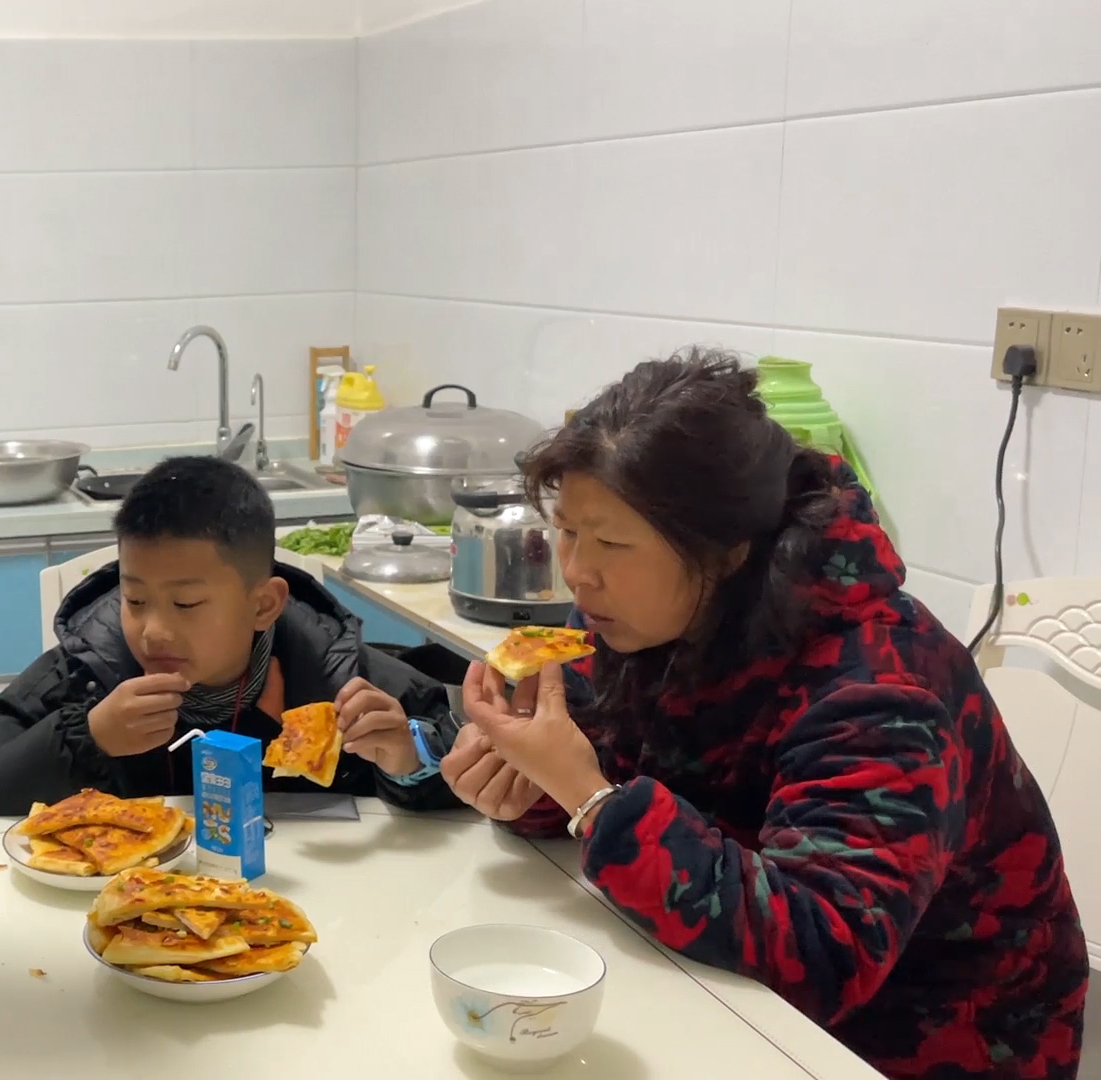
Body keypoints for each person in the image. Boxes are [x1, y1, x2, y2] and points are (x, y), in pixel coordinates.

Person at [442, 349, 1086, 1078]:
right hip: (709, 983)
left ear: (726, 553)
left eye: (613, 542)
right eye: (567, 531)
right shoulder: (634, 611)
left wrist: (590, 803)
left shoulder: (879, 686)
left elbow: (825, 952)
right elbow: (602, 762)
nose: (578, 570)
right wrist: (526, 778)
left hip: (922, 1038)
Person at [0, 456, 462, 819]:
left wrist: (409, 760)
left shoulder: (337, 674)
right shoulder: (84, 675)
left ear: (263, 605)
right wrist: (88, 738)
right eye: (135, 599)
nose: (153, 630)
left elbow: (474, 781)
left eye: (186, 604)